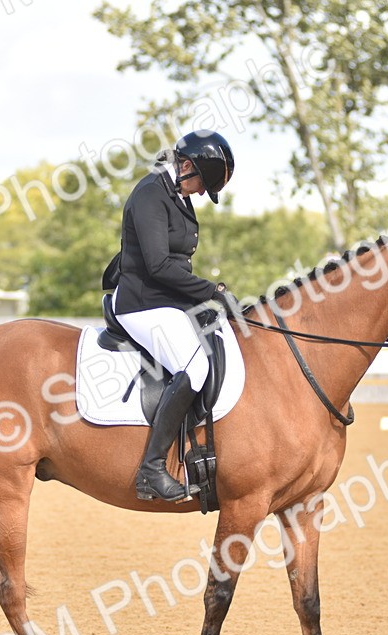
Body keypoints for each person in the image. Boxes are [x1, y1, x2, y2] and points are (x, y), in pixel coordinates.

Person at [102, 130, 238, 502]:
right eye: (200, 185)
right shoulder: (150, 194)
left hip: (169, 302)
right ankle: (152, 469)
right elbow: (160, 266)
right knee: (194, 368)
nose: (199, 193)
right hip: (142, 303)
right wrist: (212, 291)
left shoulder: (176, 195)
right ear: (187, 166)